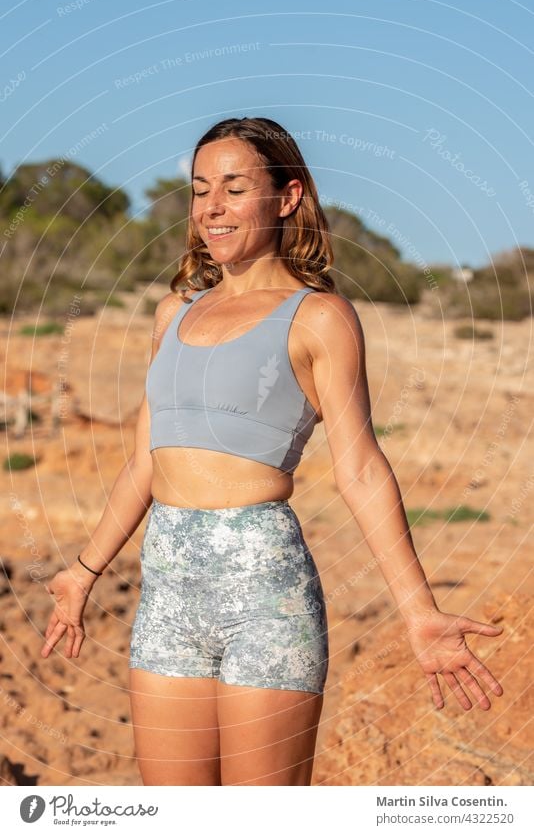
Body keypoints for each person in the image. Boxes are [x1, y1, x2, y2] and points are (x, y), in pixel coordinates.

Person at [41, 116, 504, 787]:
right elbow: (145, 461)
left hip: (267, 594)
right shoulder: (173, 314)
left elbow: (362, 465)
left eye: (234, 187)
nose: (212, 208)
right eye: (201, 190)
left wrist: (419, 610)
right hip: (166, 596)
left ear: (287, 197)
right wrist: (84, 570)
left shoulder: (318, 316)